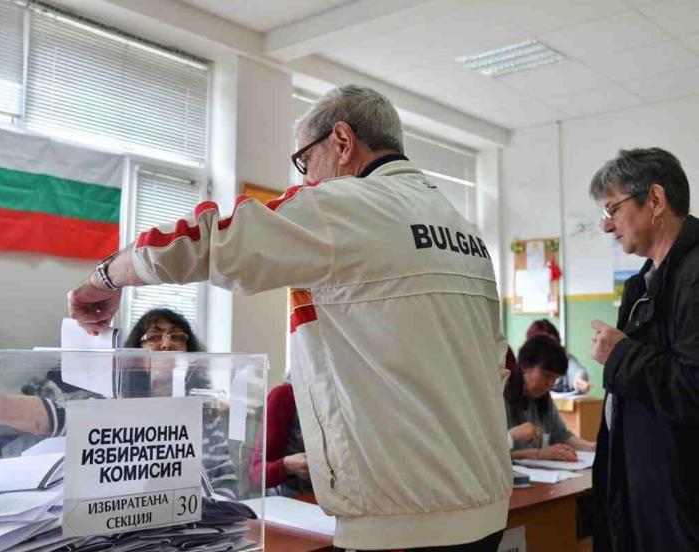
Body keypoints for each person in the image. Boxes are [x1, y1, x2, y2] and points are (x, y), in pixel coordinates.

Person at [69, 84, 511, 551]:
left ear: (341, 142)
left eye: (305, 160)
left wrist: (104, 278)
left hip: (402, 519)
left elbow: (209, 241)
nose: (305, 178)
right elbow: (496, 364)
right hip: (483, 506)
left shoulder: (346, 204)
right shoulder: (464, 231)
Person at [589, 147, 699, 551]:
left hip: (683, 512)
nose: (607, 225)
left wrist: (621, 356)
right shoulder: (642, 284)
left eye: (613, 209)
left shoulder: (694, 274)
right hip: (649, 500)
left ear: (655, 199)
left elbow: (694, 387)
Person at [11, 308, 239, 499]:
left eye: (177, 337)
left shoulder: (204, 411)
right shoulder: (118, 404)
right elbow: (58, 417)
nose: (167, 344)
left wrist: (215, 515)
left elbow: (224, 480)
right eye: (154, 337)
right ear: (135, 356)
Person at [504, 335, 595, 461]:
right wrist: (538, 454)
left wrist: (592, 447)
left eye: (555, 378)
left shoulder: (543, 398)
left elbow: (562, 436)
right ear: (525, 366)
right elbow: (492, 453)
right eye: (546, 376)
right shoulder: (501, 395)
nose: (550, 384)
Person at [250, 377, 313, 497]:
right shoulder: (284, 396)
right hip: (288, 500)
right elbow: (255, 476)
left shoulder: (342, 400)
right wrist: (286, 466)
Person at [526, 319, 591, 394]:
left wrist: (580, 381)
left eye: (554, 344)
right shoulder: (526, 366)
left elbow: (578, 372)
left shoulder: (564, 358)